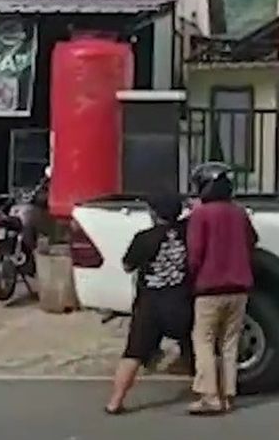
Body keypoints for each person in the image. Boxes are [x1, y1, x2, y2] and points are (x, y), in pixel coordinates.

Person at [104, 193, 194, 415]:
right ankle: (205, 392)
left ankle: (115, 401)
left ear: (154, 214)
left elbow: (128, 265)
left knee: (133, 353)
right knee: (195, 347)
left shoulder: (144, 238)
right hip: (182, 301)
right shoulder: (188, 231)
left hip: (150, 305)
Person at [186, 162, 257, 416]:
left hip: (209, 288)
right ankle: (228, 394)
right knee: (230, 343)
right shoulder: (239, 213)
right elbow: (252, 242)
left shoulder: (201, 215)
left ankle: (209, 395)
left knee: (203, 341)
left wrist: (190, 279)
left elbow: (195, 253)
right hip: (239, 287)